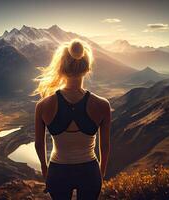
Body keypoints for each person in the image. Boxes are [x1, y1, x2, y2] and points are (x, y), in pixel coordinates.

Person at [32, 39, 111, 200]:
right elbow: (105, 145)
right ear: (87, 68)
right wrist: (101, 173)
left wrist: (45, 170)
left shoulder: (43, 105)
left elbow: (39, 145)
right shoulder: (102, 105)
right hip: (89, 171)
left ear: (61, 68)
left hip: (58, 171)